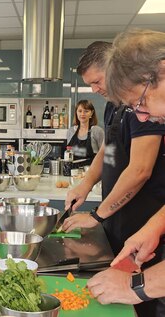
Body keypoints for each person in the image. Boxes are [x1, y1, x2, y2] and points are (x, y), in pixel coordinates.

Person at [61, 41, 165, 317]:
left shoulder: (148, 110)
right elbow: (109, 150)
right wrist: (85, 185)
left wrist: (137, 287)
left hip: (140, 216)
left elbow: (140, 170)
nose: (145, 115)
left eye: (141, 103)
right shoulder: (117, 106)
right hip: (131, 229)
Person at [66, 99, 104, 165]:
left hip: (91, 171)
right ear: (76, 112)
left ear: (91, 113)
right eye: (80, 111)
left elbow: (104, 155)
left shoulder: (97, 131)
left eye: (86, 111)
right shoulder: (71, 131)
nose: (82, 114)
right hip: (73, 172)